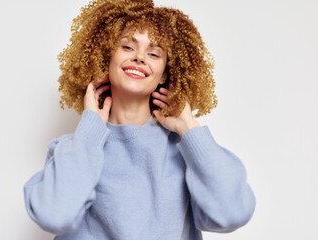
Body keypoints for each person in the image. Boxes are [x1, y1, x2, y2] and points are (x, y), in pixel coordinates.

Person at [23, 0, 256, 239]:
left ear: (164, 73)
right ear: (106, 58)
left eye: (154, 53)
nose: (139, 58)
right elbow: (54, 216)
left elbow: (232, 215)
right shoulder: (73, 149)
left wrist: (188, 127)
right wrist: (90, 126)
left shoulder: (186, 152)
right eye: (127, 47)